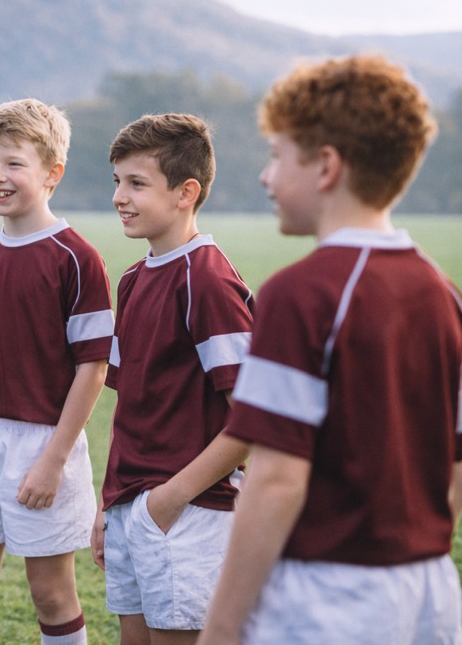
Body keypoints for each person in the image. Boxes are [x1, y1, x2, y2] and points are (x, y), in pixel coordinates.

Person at [198, 54, 462, 645]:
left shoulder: (300, 294)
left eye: (276, 155)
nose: (266, 177)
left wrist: (219, 631)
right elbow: (452, 471)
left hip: (328, 599)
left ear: (325, 167)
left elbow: (275, 480)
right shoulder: (446, 294)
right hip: (432, 593)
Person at [0, 98, 114, 645]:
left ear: (52, 173)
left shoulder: (77, 258)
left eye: (13, 164)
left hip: (44, 444)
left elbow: (94, 368)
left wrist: (54, 460)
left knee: (51, 592)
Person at [91, 113, 254, 645]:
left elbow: (254, 418)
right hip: (130, 506)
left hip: (191, 513)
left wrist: (170, 499)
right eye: (117, 181)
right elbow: (132, 409)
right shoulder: (133, 280)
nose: (120, 196)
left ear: (186, 192)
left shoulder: (207, 280)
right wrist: (109, 506)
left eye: (137, 183)